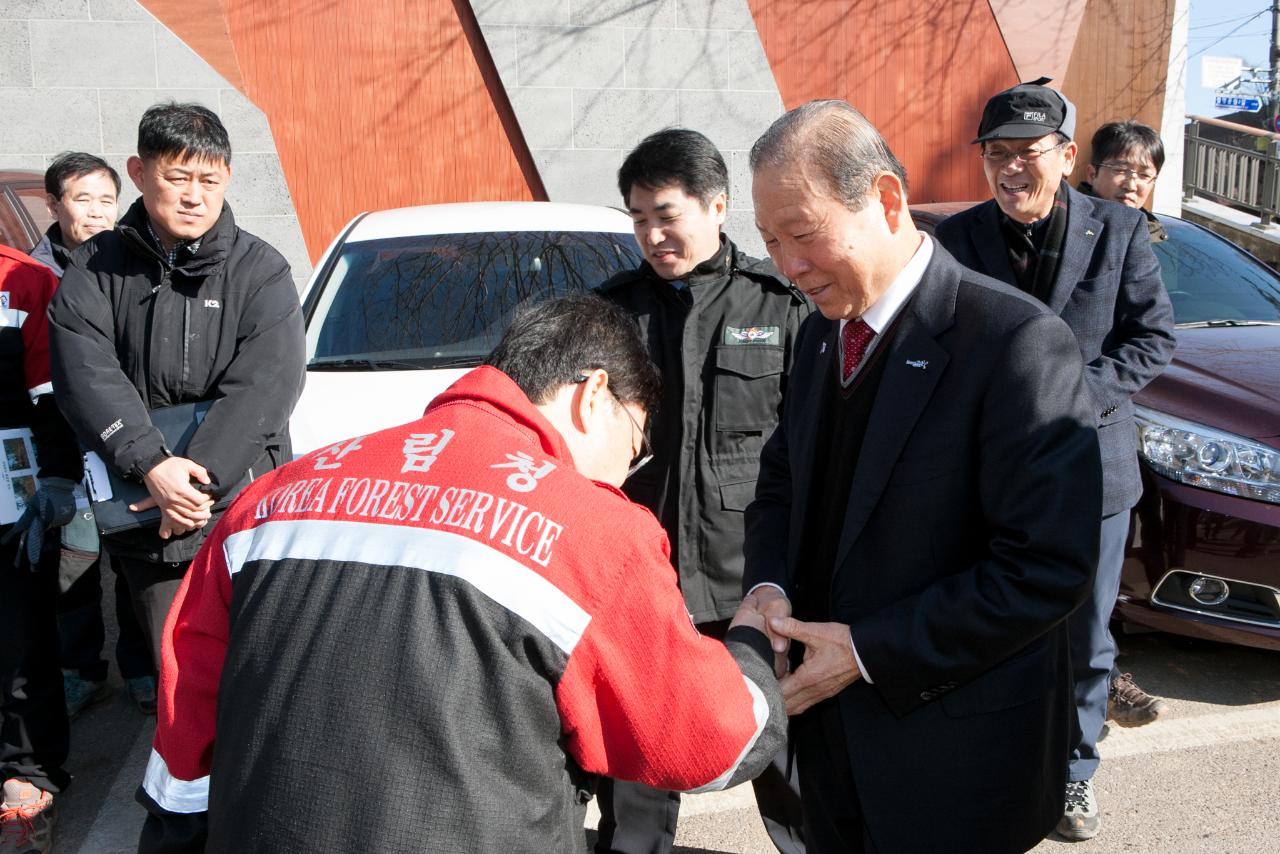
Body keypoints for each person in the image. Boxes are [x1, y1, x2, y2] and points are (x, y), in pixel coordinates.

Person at [136, 294, 788, 853]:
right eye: (636, 444)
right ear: (594, 395)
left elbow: (184, 739)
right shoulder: (592, 531)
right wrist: (754, 646)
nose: (626, 472)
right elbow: (709, 742)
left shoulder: (273, 499)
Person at [743, 99, 1103, 854]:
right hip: (824, 752)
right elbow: (781, 482)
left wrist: (870, 651)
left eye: (804, 235)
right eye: (771, 241)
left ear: (884, 198)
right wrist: (767, 588)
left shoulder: (1015, 342)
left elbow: (1045, 566)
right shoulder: (817, 335)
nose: (789, 266)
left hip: (950, 762)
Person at [934, 81, 1176, 842]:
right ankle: (989, 762)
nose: (1009, 169)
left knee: (1084, 635)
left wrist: (1073, 392)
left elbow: (1151, 339)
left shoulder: (1120, 232)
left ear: (1068, 156)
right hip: (987, 473)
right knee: (984, 621)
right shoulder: (957, 238)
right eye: (995, 155)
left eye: (1026, 154)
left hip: (1090, 471)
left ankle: (1073, 775)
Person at [597, 128, 809, 854]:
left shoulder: (779, 306)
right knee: (637, 761)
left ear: (717, 206)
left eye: (666, 213)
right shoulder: (612, 313)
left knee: (782, 749)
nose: (653, 233)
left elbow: (811, 447)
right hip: (641, 577)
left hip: (751, 578)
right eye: (638, 218)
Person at [47, 102, 306, 679]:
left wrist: (199, 477)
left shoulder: (260, 270)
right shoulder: (93, 270)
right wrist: (152, 466)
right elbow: (86, 375)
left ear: (228, 180)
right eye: (178, 177)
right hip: (145, 510)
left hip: (240, 505)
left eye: (208, 180)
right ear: (139, 174)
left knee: (258, 668)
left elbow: (268, 385)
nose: (194, 195)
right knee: (178, 674)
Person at [28, 152, 156, 719]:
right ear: (54, 206)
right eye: (83, 200)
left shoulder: (131, 260)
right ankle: (82, 670)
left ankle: (140, 667)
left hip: (123, 433)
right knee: (75, 560)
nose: (99, 213)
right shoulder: (34, 276)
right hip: (63, 441)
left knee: (133, 550)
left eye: (107, 200)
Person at [1077, 119, 1171, 729]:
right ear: (1088, 170)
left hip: (1118, 422)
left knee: (1103, 581)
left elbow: (1154, 333)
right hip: (1062, 426)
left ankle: (1102, 679)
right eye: (1121, 168)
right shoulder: (1062, 234)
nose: (1132, 182)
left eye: (1145, 173)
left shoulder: (1151, 237)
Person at [1, 246, 79, 854]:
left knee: (19, 634)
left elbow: (52, 392)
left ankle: (27, 772)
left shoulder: (25, 281)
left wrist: (56, 479)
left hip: (12, 495)